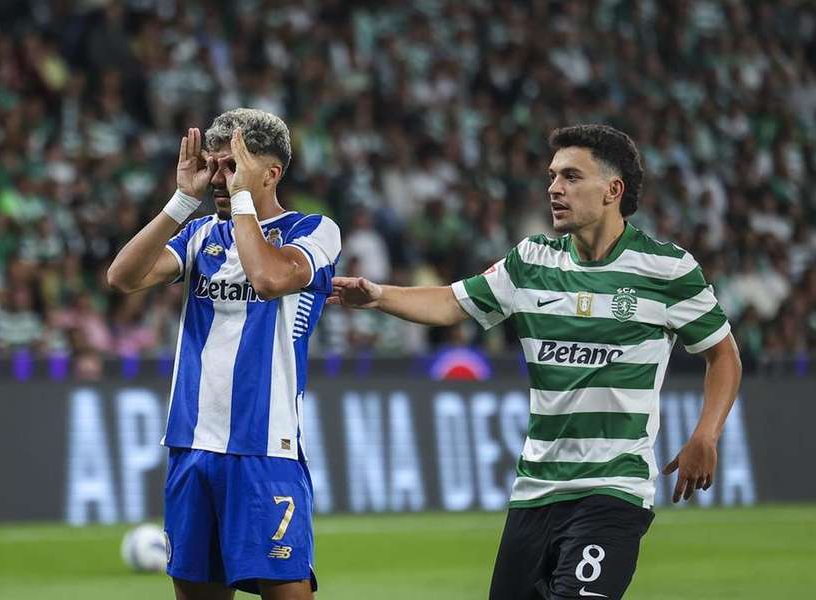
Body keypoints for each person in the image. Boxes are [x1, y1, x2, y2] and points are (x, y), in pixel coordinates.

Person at [330, 124, 742, 600]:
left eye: (570, 177)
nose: (553, 188)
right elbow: (450, 302)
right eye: (551, 177)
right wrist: (379, 295)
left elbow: (722, 353)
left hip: (612, 489)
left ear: (613, 190)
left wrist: (705, 434)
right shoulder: (530, 260)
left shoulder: (668, 270)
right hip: (535, 492)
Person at [108, 108, 341, 600]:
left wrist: (240, 203)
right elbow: (122, 278)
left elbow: (269, 279)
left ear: (271, 174)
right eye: (214, 166)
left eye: (232, 167)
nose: (218, 178)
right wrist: (179, 202)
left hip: (265, 448)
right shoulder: (199, 236)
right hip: (191, 445)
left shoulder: (314, 231)